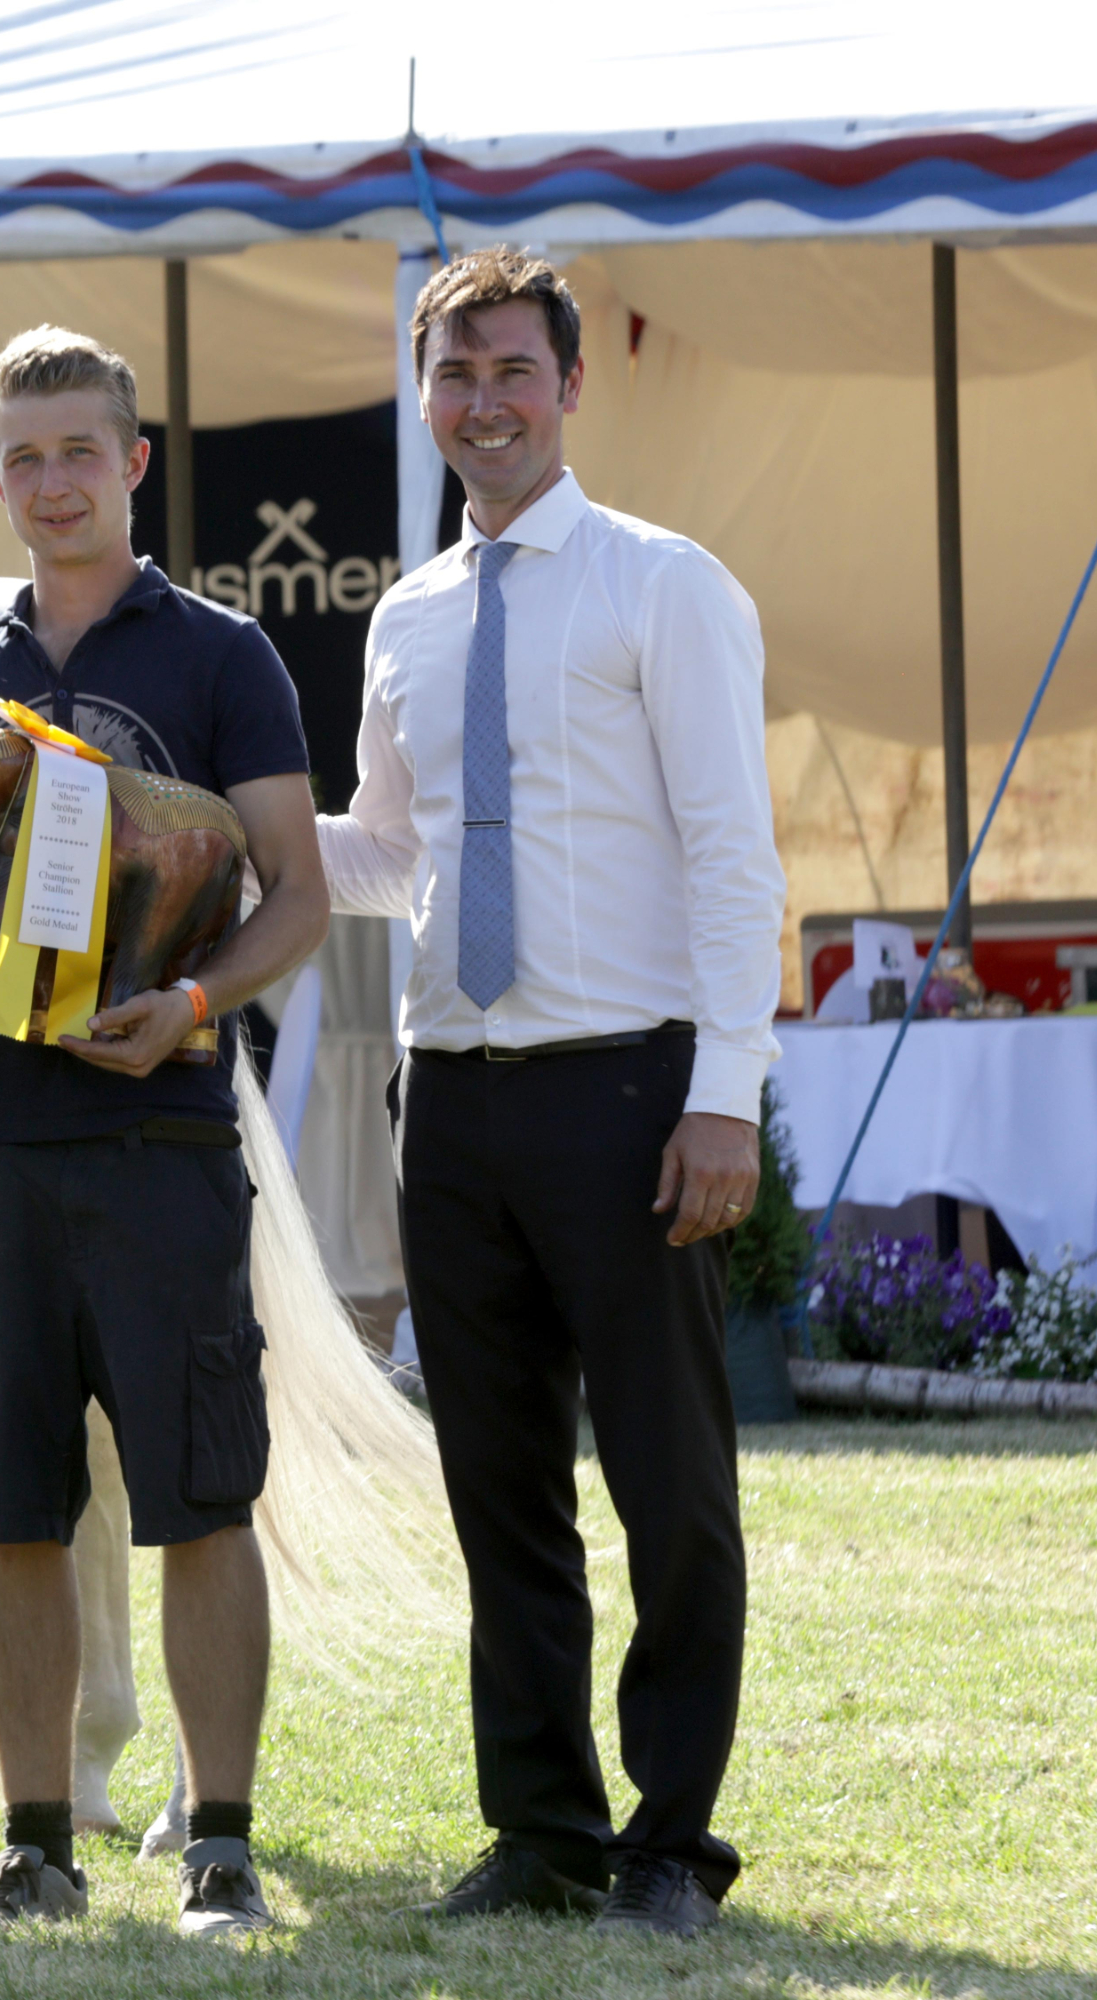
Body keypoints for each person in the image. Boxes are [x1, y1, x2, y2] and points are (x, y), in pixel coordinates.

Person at [317, 248, 783, 1938]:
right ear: (422, 396)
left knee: (668, 1488)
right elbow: (390, 854)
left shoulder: (666, 586)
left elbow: (733, 856)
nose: (483, 402)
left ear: (571, 386)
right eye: (453, 375)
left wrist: (721, 1094)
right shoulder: (406, 618)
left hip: (630, 1095)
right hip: (451, 1104)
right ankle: (539, 1834)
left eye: (513, 369)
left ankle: (669, 1843)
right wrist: (218, 837)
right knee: (497, 1490)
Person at [0, 326, 328, 1939]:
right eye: (24, 456)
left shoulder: (220, 657)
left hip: (164, 1132)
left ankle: (221, 1844)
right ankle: (33, 1845)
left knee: (199, 1493)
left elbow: (298, 896)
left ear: (132, 462)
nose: (53, 481)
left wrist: (191, 1005)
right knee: (9, 1502)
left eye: (81, 451)